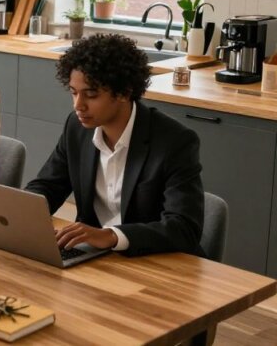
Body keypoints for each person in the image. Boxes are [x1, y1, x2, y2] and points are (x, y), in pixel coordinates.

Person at [24, 34, 205, 256]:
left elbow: (183, 228)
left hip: (156, 262)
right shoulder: (76, 127)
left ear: (124, 92)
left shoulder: (174, 141)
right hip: (96, 258)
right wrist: (21, 216)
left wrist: (111, 235)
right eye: (73, 93)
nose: (78, 105)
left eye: (90, 95)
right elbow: (48, 186)